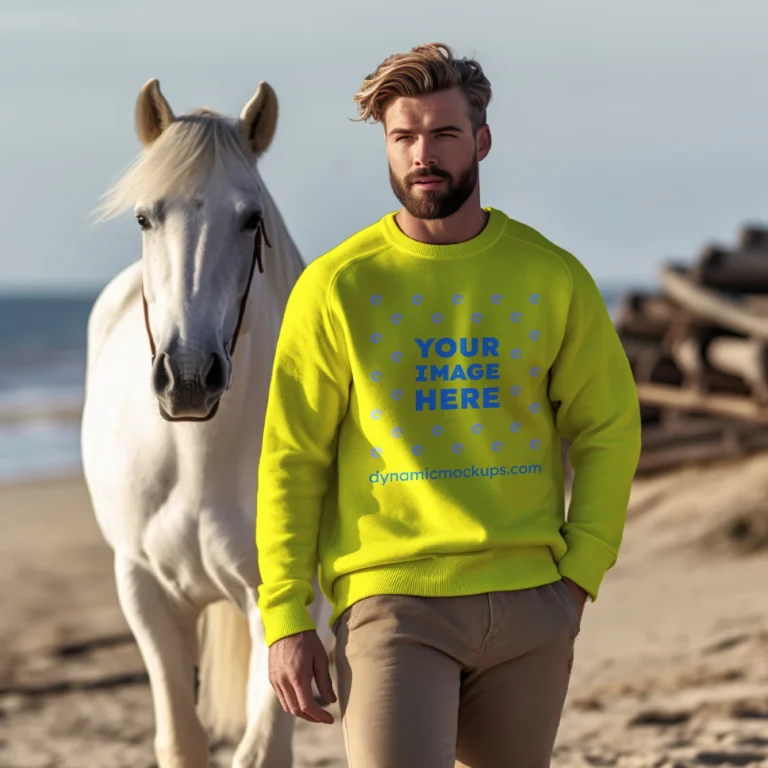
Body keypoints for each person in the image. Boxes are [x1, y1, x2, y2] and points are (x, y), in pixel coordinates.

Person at [256, 42, 642, 767]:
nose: (422, 154)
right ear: (387, 145)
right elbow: (290, 459)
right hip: (394, 606)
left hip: (533, 603)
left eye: (443, 134)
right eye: (403, 137)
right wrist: (284, 614)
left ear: (481, 141)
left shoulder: (549, 276)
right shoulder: (337, 287)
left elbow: (608, 429)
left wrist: (581, 573)